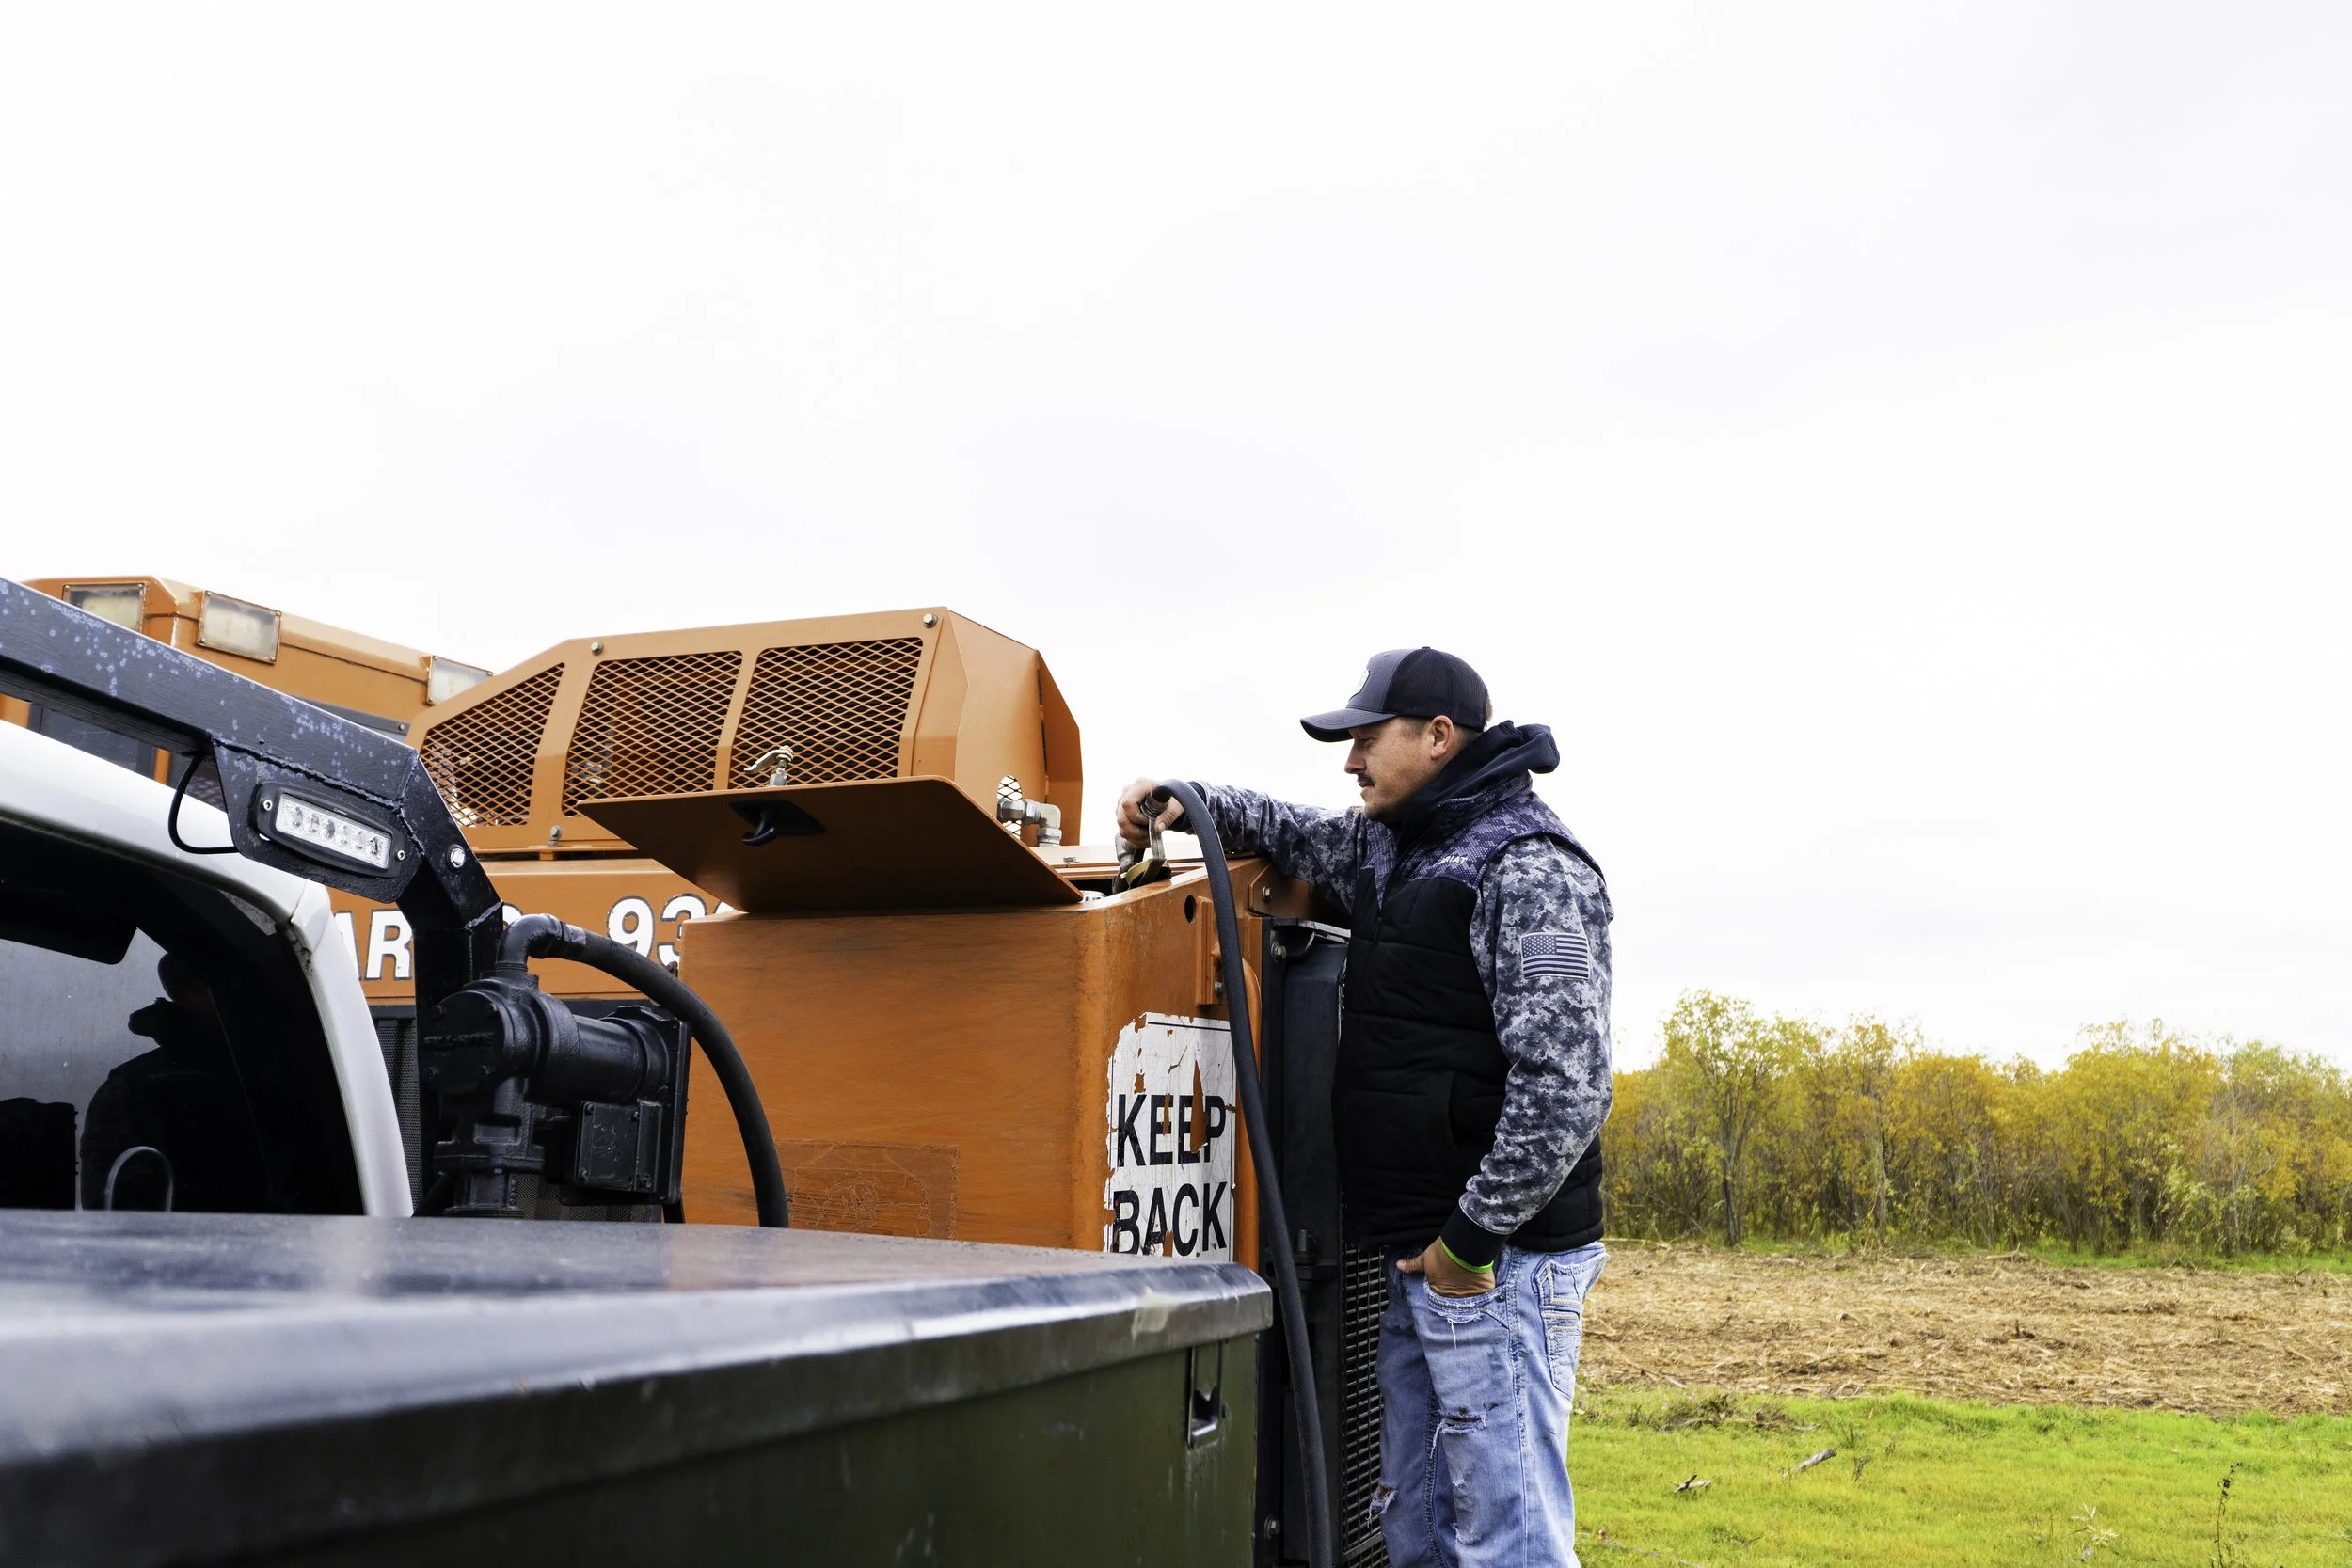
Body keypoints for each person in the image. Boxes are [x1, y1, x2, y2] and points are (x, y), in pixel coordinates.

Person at [1118, 646, 1612, 1568]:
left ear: (1435, 735)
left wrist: (1468, 1241)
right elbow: (1292, 828)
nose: (1348, 761)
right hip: (1418, 1246)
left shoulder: (1527, 862)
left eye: (1364, 738)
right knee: (1413, 1524)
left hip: (1495, 1261)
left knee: (1507, 1534)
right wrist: (1184, 798)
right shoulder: (1391, 845)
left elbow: (1566, 1082)